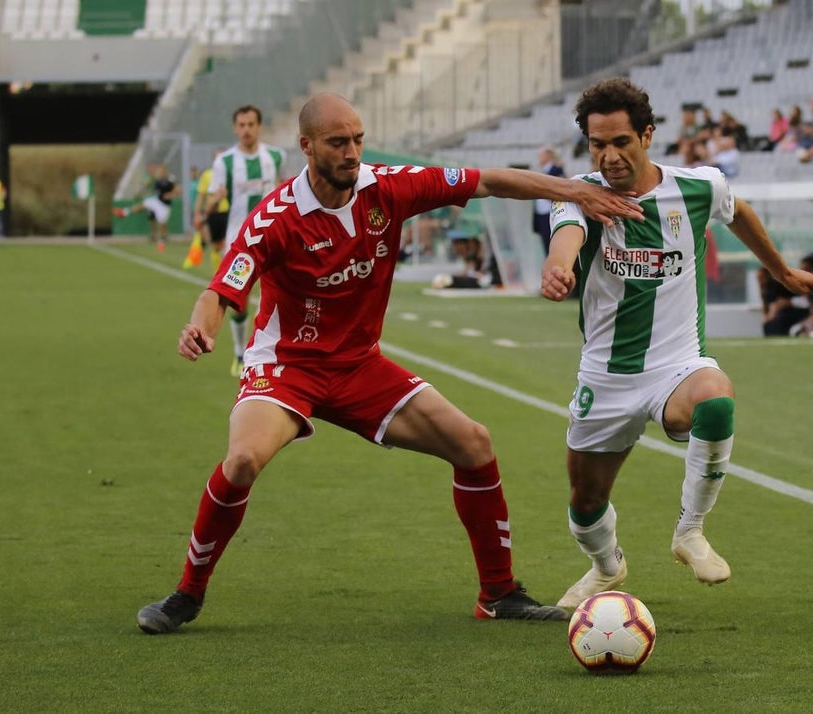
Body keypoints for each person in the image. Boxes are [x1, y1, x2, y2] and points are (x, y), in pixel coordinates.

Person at [134, 92, 644, 635]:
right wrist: (200, 327)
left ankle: (497, 593)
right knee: (241, 462)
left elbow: (487, 180)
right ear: (306, 147)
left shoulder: (389, 186)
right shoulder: (276, 218)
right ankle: (186, 594)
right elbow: (223, 288)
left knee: (473, 443)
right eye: (337, 142)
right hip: (287, 368)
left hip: (359, 367)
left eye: (357, 138)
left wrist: (573, 190)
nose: (352, 152)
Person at [538, 78, 813, 609]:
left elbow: (737, 211)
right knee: (585, 501)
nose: (609, 156)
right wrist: (559, 268)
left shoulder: (697, 188)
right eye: (597, 144)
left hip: (678, 365)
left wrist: (782, 271)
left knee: (716, 397)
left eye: (620, 141)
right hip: (606, 375)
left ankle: (689, 531)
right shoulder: (580, 191)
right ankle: (606, 567)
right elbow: (567, 235)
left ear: (647, 135)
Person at [205, 105, 288, 377]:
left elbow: (286, 189)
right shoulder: (225, 162)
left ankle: (280, 352)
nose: (246, 130)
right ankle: (240, 352)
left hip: (275, 241)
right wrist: (210, 204)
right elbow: (213, 197)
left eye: (251, 124)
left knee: (282, 296)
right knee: (237, 300)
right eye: (241, 125)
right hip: (239, 244)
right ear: (234, 128)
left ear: (259, 126)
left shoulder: (276, 157)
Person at [113, 163, 179, 252]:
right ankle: (124, 212)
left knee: (162, 224)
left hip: (164, 205)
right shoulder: (157, 180)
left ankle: (161, 242)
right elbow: (150, 185)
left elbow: (177, 191)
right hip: (156, 201)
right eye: (159, 170)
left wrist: (169, 195)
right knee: (143, 205)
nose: (160, 172)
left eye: (162, 170)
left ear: (165, 171)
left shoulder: (170, 180)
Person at [193, 155, 231, 265]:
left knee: (228, 243)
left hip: (229, 211)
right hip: (214, 213)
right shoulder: (207, 174)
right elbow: (201, 195)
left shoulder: (232, 173)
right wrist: (197, 213)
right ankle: (217, 273)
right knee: (216, 245)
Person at [532, 145, 565, 256]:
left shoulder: (556, 170)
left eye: (541, 155)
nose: (539, 158)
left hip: (551, 213)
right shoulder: (542, 171)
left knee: (553, 243)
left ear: (548, 156)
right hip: (541, 214)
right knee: (545, 243)